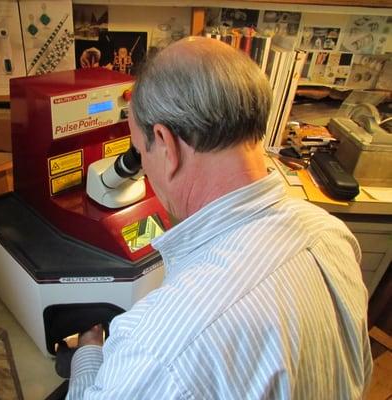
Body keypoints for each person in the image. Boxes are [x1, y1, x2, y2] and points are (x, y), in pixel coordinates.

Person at [66, 37, 372, 399]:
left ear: (165, 142)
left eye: (138, 149)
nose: (142, 167)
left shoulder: (157, 349)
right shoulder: (331, 234)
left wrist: (88, 348)